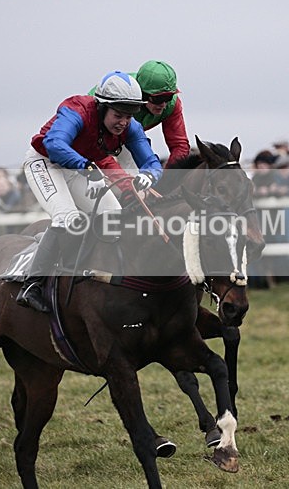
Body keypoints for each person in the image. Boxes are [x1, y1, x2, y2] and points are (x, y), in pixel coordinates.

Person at [17, 70, 163, 313]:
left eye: (128, 116)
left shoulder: (131, 128)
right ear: (102, 108)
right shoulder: (77, 109)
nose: (123, 122)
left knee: (113, 215)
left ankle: (94, 275)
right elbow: (54, 144)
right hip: (45, 162)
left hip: (80, 167)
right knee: (68, 218)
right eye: (118, 115)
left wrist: (149, 175)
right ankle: (32, 285)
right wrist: (87, 168)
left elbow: (151, 162)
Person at [90, 60, 190, 169]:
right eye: (158, 98)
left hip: (125, 137)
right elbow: (93, 141)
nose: (163, 104)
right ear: (142, 93)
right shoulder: (122, 98)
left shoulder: (172, 105)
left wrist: (169, 176)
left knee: (137, 174)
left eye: (168, 97)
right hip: (94, 135)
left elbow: (179, 146)